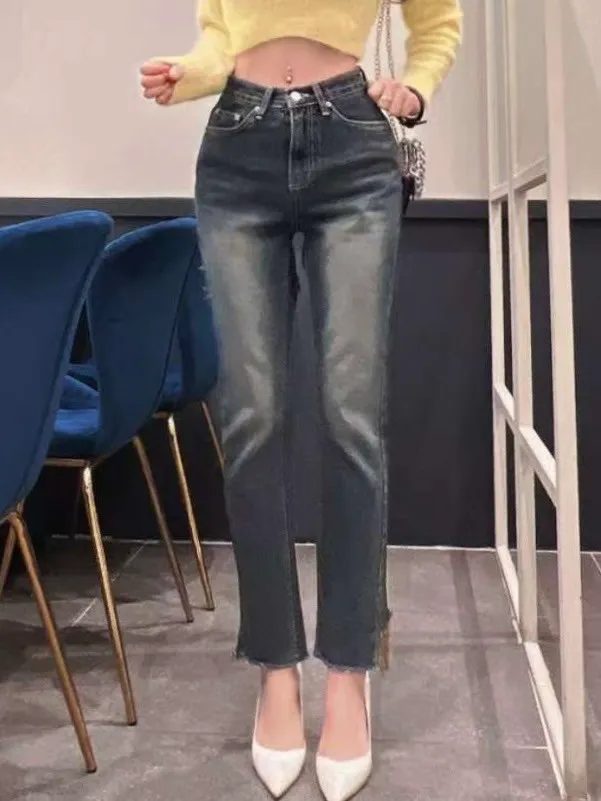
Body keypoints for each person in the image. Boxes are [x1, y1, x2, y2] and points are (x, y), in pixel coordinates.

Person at [140, 1, 461, 798]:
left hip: (351, 147)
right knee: (249, 418)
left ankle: (349, 671)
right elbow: (223, 36)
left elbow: (437, 20)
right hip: (235, 149)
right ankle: (274, 669)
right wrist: (189, 73)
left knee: (351, 417)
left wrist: (416, 87)